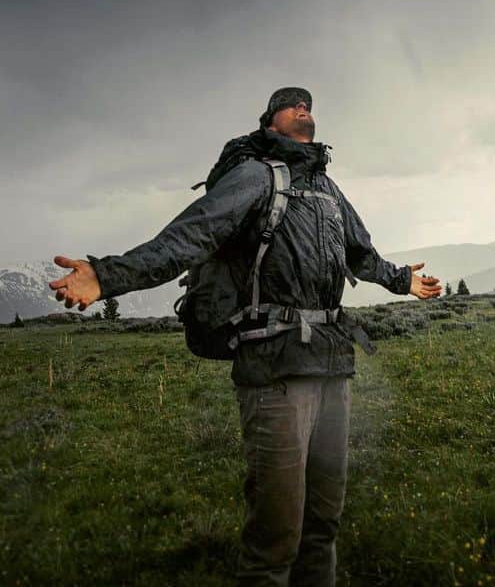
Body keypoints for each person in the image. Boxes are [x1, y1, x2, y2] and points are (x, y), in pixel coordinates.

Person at [50, 87, 442, 586]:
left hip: (333, 366)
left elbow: (360, 253)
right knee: (276, 538)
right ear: (271, 124)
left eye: (309, 104)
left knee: (323, 525)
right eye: (291, 103)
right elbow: (188, 238)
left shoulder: (327, 189)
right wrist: (107, 276)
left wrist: (402, 279)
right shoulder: (256, 177)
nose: (304, 108)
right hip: (275, 372)